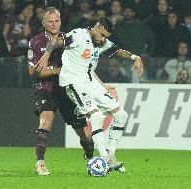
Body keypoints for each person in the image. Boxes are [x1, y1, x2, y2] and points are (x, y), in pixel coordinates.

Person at [37, 16, 143, 173]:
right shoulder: (79, 35)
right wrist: (46, 55)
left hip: (91, 83)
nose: (102, 40)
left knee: (122, 115)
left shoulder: (101, 42)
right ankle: (104, 159)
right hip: (74, 83)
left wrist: (135, 57)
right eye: (102, 35)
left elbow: (117, 51)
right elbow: (55, 41)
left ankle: (111, 156)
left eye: (106, 37)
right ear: (97, 27)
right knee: (97, 117)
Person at [27, 7, 94, 176]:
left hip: (68, 89)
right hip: (45, 88)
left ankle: (91, 158)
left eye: (56, 21)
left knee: (83, 131)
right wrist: (58, 70)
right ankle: (40, 162)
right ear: (43, 23)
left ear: (60, 21)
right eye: (50, 21)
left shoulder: (69, 39)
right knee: (46, 119)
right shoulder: (35, 42)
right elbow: (33, 72)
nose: (54, 24)